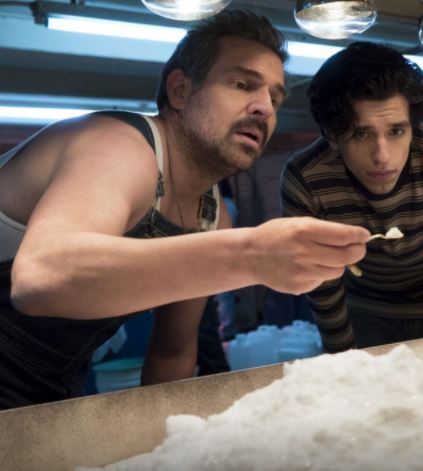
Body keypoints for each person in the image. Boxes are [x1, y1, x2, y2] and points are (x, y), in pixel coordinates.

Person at [0, 9, 369, 409]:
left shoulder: (211, 216)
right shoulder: (117, 144)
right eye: (243, 84)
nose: (265, 108)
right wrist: (251, 255)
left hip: (52, 385)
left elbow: (172, 351)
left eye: (275, 98)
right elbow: (41, 278)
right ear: (179, 91)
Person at [281, 42, 423, 353]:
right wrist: (343, 359)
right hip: (367, 313)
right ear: (332, 135)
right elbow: (323, 286)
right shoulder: (306, 178)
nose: (382, 156)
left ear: (412, 126)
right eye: (361, 134)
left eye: (396, 131)